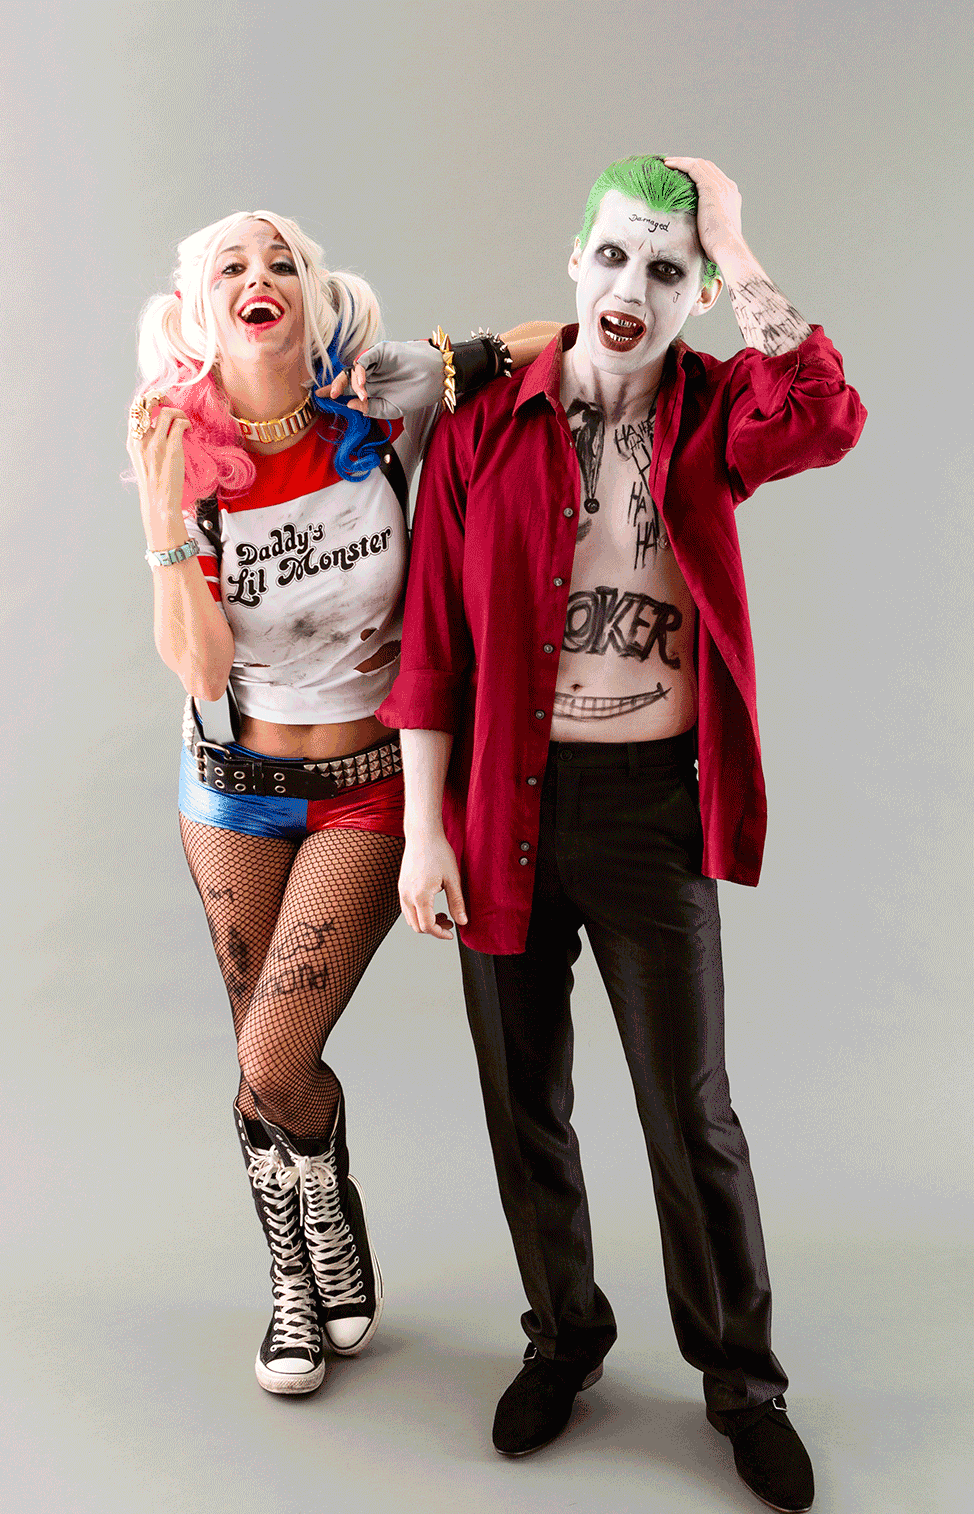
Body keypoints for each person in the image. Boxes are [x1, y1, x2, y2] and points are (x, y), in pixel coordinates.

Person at [382, 156, 866, 1511]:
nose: (630, 288)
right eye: (611, 256)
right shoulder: (482, 426)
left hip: (652, 805)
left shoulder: (715, 412)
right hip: (500, 806)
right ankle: (563, 1338)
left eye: (665, 269)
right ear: (573, 262)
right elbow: (431, 645)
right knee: (521, 1098)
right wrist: (423, 832)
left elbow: (825, 414)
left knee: (687, 1110)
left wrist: (738, 245)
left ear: (693, 293)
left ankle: (741, 1383)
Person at [126, 207, 555, 1396]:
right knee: (263, 1064)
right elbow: (201, 667)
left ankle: (320, 1222)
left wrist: (503, 344)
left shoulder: (384, 397)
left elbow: (551, 344)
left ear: (313, 295)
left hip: (367, 786)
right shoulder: (176, 441)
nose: (257, 276)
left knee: (273, 1058)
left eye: (282, 263)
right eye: (231, 265)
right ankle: (299, 1268)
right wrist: (162, 523)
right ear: (199, 306)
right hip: (231, 792)